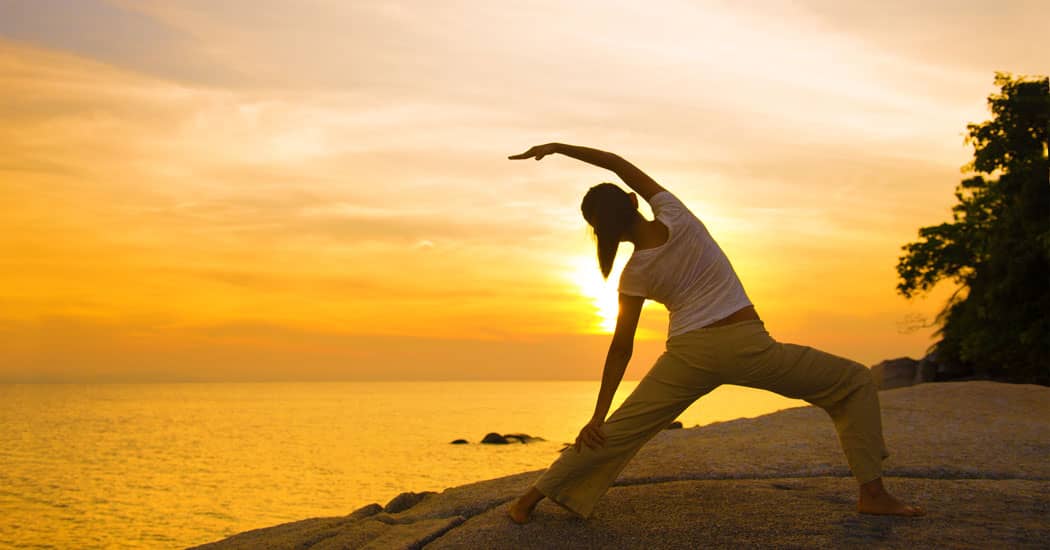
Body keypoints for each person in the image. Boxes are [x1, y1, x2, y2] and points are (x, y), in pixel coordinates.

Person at [504, 142, 925, 523]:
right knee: (852, 382)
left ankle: (527, 500)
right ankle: (873, 492)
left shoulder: (634, 273)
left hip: (689, 355)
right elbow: (616, 163)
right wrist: (558, 148)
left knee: (618, 430)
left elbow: (621, 349)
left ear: (600, 231)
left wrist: (597, 416)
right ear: (633, 201)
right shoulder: (676, 214)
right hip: (747, 346)